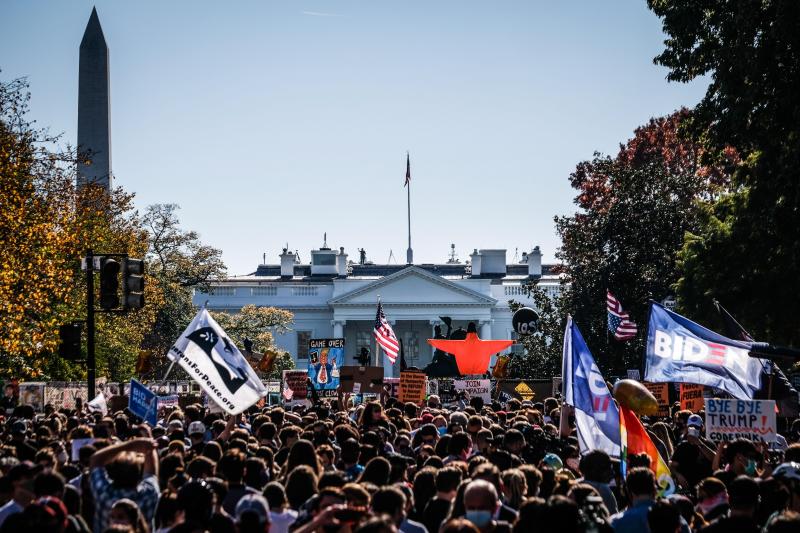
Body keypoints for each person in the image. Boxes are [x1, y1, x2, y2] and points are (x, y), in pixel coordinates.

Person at [88, 437, 160, 532]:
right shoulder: (148, 494)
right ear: (139, 475)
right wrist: (149, 446)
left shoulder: (104, 494)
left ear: (111, 473)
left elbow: (95, 460)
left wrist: (128, 445)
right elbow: (151, 473)